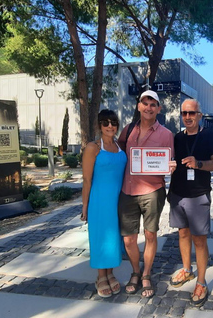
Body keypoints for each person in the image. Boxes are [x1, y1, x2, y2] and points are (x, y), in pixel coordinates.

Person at [118, 90, 176, 298]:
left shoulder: (166, 134)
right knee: (128, 240)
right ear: (139, 106)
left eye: (153, 104)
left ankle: (146, 274)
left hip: (153, 191)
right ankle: (135, 271)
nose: (149, 107)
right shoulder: (128, 130)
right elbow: (118, 153)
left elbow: (170, 161)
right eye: (145, 103)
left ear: (159, 109)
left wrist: (171, 166)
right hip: (128, 190)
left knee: (150, 234)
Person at [168, 99, 213, 307]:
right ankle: (187, 270)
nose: (188, 117)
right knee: (182, 233)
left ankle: (201, 282)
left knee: (199, 240)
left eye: (192, 113)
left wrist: (198, 163)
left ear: (199, 115)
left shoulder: (208, 135)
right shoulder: (177, 138)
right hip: (178, 194)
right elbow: (168, 159)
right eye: (184, 113)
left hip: (198, 195)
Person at [81, 109, 127, 298]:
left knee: (113, 237)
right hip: (100, 200)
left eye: (113, 123)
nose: (110, 126)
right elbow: (86, 180)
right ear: (99, 125)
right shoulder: (93, 148)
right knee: (101, 236)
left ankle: (110, 273)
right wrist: (84, 206)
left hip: (119, 199)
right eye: (106, 122)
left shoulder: (120, 146)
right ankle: (101, 276)